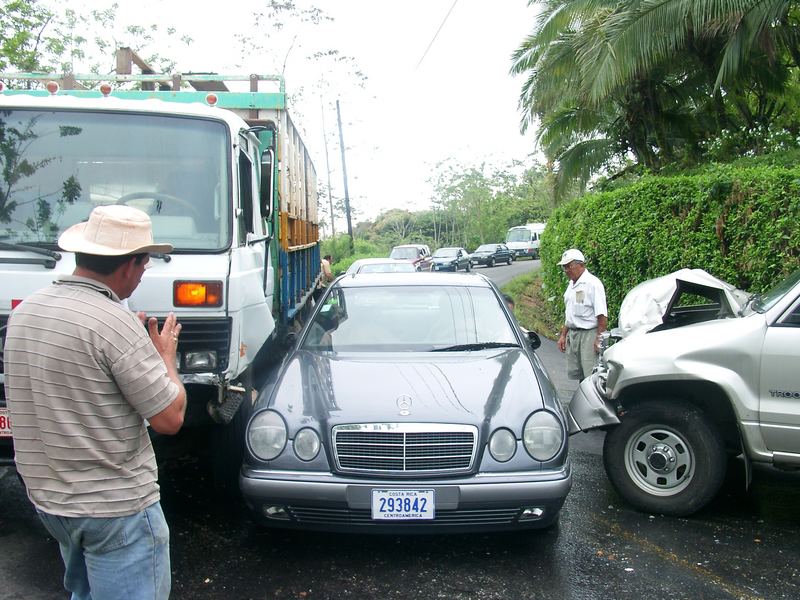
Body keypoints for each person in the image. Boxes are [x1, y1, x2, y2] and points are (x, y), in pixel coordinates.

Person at [3, 205, 187, 600]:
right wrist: (165, 359)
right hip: (115, 509)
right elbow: (169, 418)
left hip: (51, 502)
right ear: (130, 266)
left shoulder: (25, 312)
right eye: (145, 265)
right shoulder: (114, 321)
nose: (142, 275)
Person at [556, 248, 608, 380]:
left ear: (581, 264)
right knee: (579, 374)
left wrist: (599, 338)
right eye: (564, 267)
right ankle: (582, 399)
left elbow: (602, 315)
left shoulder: (593, 284)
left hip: (589, 335)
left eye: (569, 266)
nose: (567, 270)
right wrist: (563, 335)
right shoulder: (571, 285)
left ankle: (593, 400)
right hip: (573, 334)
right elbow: (570, 313)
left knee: (591, 375)